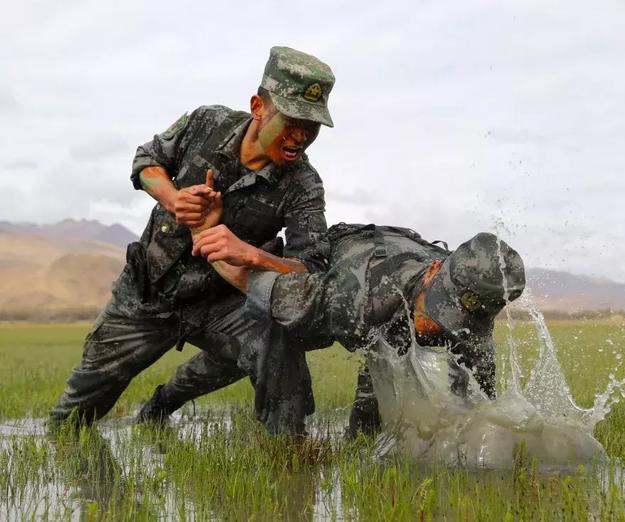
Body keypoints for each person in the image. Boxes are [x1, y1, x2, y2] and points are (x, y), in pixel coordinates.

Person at [50, 46, 336, 434]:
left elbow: (311, 267)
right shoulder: (207, 122)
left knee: (277, 344)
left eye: (313, 125)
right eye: (292, 119)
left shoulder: (304, 185)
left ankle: (291, 460)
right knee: (75, 415)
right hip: (146, 295)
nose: (301, 135)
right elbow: (146, 160)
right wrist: (173, 199)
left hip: (222, 305)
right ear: (258, 107)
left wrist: (250, 255)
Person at [200, 222, 526, 436]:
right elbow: (259, 284)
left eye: (454, 321)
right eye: (436, 310)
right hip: (345, 257)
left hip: (403, 262)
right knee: (276, 336)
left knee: (396, 363)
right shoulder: (356, 294)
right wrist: (209, 238)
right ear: (433, 273)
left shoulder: (474, 307)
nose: (434, 326)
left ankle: (362, 436)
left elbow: (482, 396)